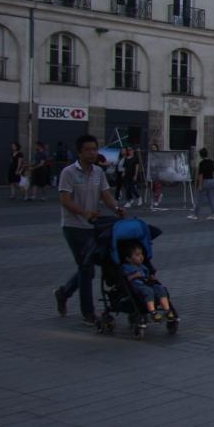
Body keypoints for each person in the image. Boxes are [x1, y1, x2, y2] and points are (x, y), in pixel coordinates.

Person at [53, 134, 125, 324]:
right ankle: (88, 313)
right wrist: (85, 213)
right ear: (79, 152)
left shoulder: (98, 172)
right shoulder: (68, 172)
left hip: (93, 226)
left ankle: (63, 293)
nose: (92, 153)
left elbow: (106, 195)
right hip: (74, 226)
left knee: (90, 268)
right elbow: (65, 200)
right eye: (88, 150)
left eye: (94, 149)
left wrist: (117, 208)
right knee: (86, 268)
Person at [118, 239, 175, 322]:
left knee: (160, 288)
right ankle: (153, 312)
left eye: (141, 254)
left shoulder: (142, 266)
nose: (141, 256)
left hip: (147, 283)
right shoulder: (126, 267)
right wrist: (134, 275)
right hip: (137, 286)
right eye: (137, 255)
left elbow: (147, 275)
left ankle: (167, 310)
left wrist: (151, 277)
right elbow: (125, 279)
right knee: (148, 291)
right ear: (129, 259)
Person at [187, 148, 214, 221]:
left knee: (199, 199)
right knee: (211, 199)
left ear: (201, 155)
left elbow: (201, 175)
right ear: (207, 154)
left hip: (205, 182)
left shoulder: (201, 163)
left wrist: (199, 185)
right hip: (212, 181)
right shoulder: (211, 162)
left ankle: (195, 215)